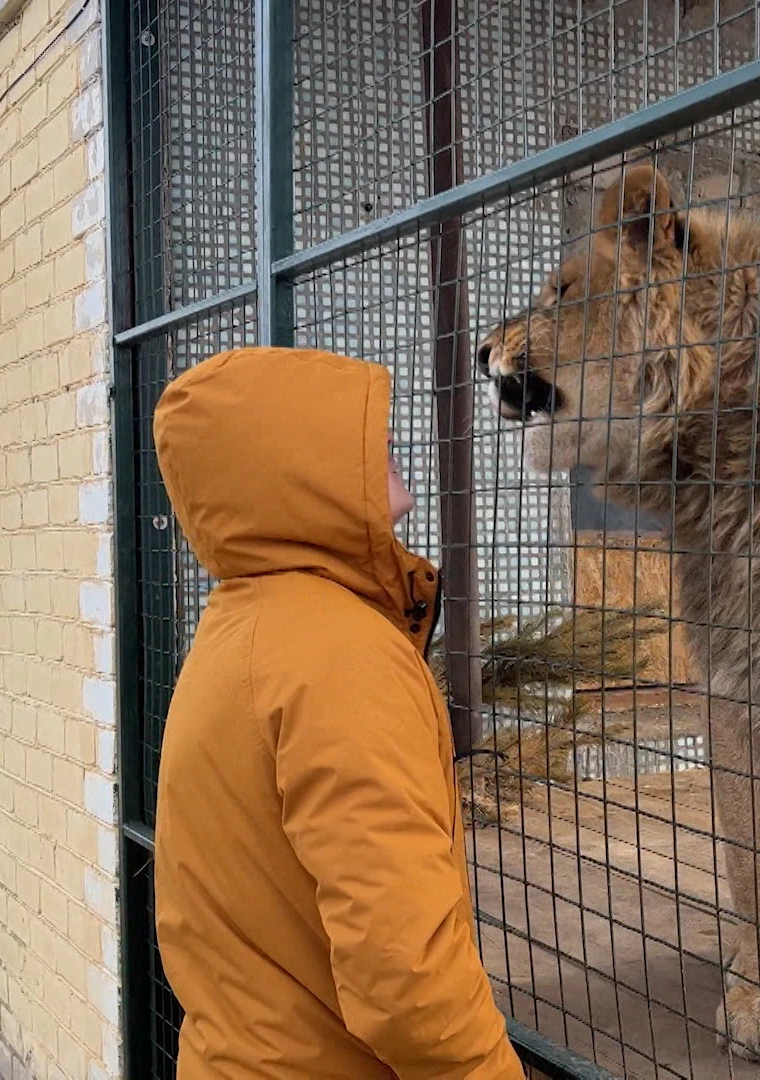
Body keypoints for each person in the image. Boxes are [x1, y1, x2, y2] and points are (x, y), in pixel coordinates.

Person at [151, 347, 521, 1078]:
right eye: (350, 433)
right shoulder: (339, 657)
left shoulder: (246, 626)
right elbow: (406, 974)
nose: (384, 441)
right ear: (285, 469)